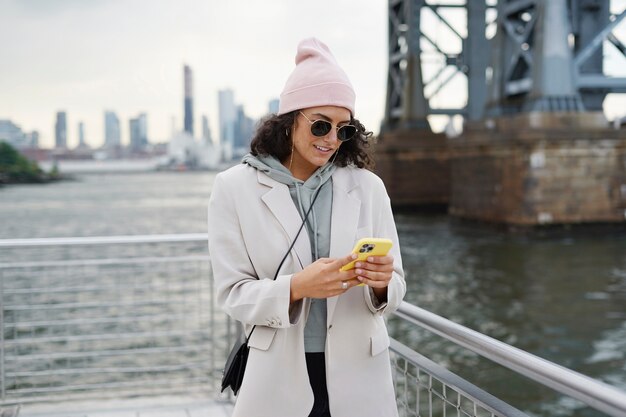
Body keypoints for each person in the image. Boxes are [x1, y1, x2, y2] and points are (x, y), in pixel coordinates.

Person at [207, 37, 406, 417]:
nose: (332, 139)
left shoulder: (368, 187)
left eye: (344, 129)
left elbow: (396, 286)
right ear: (288, 122)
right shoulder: (233, 188)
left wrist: (381, 283)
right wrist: (297, 287)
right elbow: (231, 294)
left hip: (360, 375)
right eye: (320, 125)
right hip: (277, 377)